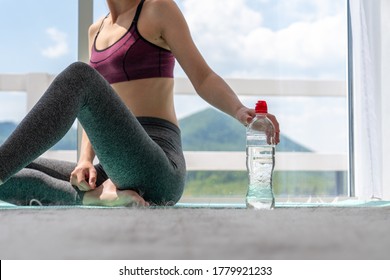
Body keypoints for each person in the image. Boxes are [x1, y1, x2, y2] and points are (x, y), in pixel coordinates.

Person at [0, 0, 280, 207]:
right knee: (21, 169)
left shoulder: (157, 8)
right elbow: (91, 108)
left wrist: (239, 109)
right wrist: (85, 159)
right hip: (115, 165)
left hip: (157, 167)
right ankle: (96, 199)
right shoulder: (95, 30)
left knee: (78, 75)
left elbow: (203, 77)